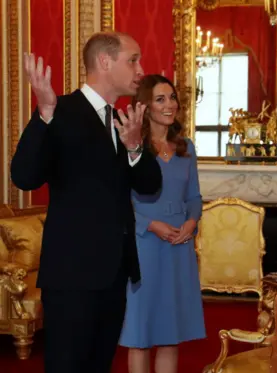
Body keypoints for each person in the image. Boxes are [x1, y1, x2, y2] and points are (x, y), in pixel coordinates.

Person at [10, 32, 162, 373]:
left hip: (114, 274)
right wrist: (44, 113)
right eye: (133, 59)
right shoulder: (58, 110)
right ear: (105, 62)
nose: (140, 69)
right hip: (71, 277)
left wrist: (136, 146)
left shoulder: (125, 121)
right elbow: (23, 176)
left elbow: (151, 186)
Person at [118, 74, 206, 373]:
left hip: (179, 246)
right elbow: (120, 202)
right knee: (140, 334)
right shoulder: (131, 148)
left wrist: (192, 222)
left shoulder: (186, 148)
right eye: (160, 99)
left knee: (171, 334)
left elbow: (194, 196)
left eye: (172, 98)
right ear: (145, 106)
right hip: (144, 246)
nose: (170, 105)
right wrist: (151, 224)